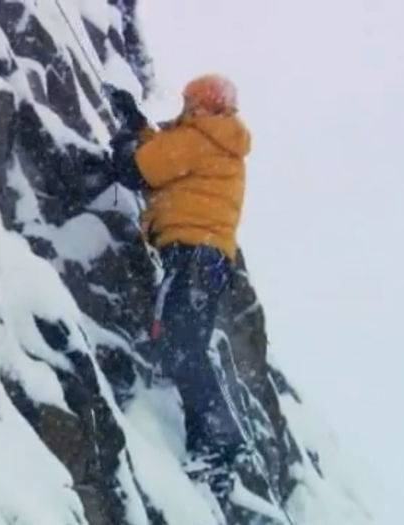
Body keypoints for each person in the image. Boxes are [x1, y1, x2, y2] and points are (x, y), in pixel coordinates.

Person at [106, 74, 253, 495]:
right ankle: (212, 452)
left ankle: (220, 442)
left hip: (193, 255)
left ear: (203, 105)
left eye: (190, 101)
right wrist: (136, 123)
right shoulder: (213, 139)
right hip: (203, 255)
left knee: (183, 343)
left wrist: (124, 142)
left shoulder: (200, 137)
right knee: (181, 342)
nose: (185, 106)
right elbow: (164, 155)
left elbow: (139, 170)